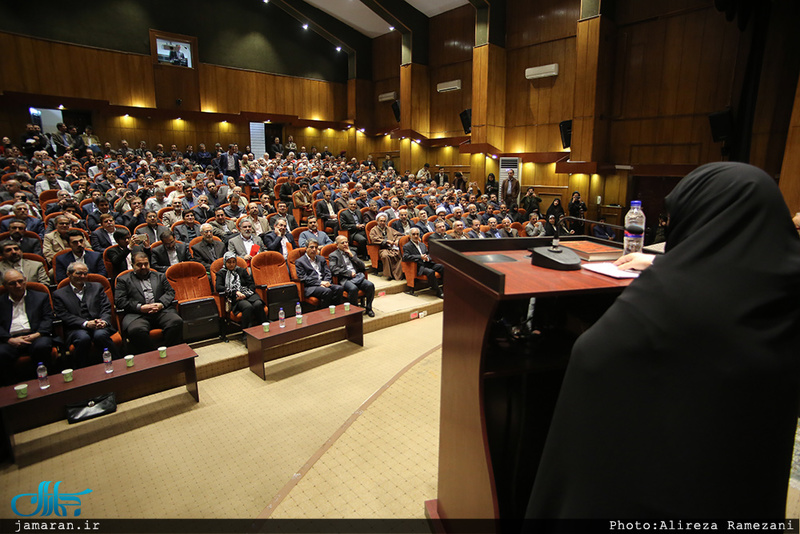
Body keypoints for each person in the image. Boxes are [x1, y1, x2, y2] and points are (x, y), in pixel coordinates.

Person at [526, 162, 800, 519]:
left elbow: (591, 356)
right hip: (743, 488)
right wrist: (658, 262)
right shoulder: (786, 289)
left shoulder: (672, 297)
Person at [114, 251, 183, 354]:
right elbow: (120, 300)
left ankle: (169, 352)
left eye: (146, 264)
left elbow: (170, 292)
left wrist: (161, 304)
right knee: (136, 330)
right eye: (139, 265)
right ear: (132, 265)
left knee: (176, 322)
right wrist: (140, 307)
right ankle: (152, 355)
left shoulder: (160, 276)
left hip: (161, 311)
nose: (143, 267)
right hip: (137, 315)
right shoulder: (123, 280)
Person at [53, 262, 118, 368]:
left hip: (98, 324)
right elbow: (63, 315)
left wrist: (104, 321)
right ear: (69, 274)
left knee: (100, 335)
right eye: (79, 273)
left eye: (85, 274)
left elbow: (106, 307)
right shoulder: (59, 294)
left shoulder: (97, 287)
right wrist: (86, 323)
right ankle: (81, 369)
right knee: (83, 338)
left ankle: (117, 364)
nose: (82, 276)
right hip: (76, 328)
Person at [0, 269, 54, 385]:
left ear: (25, 280)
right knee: (1, 353)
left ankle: (45, 381)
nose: (18, 285)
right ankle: (11, 386)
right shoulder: (1, 302)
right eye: (12, 283)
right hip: (9, 339)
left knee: (42, 346)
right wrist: (9, 339)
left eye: (20, 281)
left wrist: (37, 334)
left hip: (36, 336)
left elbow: (47, 318)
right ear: (5, 285)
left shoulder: (40, 297)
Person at [216, 252, 266, 329]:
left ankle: (263, 327)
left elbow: (251, 284)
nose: (231, 264)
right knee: (247, 306)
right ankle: (247, 331)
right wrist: (235, 292)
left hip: (248, 294)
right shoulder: (221, 273)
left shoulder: (241, 270)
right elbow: (218, 287)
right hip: (235, 298)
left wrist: (245, 294)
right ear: (225, 262)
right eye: (229, 262)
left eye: (233, 262)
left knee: (258, 304)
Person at [329, 235, 375, 317]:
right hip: (344, 279)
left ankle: (369, 308)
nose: (345, 244)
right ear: (337, 245)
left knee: (370, 285)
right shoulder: (333, 255)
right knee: (353, 289)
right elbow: (334, 269)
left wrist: (352, 256)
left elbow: (362, 266)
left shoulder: (352, 252)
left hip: (356, 277)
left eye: (346, 242)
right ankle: (355, 311)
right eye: (342, 243)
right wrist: (349, 273)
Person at [294, 239, 344, 308]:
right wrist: (320, 283)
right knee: (327, 291)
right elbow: (303, 278)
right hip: (310, 287)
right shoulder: (300, 262)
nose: (314, 250)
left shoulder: (321, 259)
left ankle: (335, 309)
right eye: (311, 247)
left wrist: (326, 282)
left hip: (324, 283)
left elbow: (327, 273)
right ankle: (325, 312)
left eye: (316, 247)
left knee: (339, 288)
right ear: (306, 248)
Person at [402, 228, 444, 298]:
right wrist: (420, 257)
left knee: (442, 267)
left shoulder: (422, 245)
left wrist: (428, 258)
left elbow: (428, 254)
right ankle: (438, 291)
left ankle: (444, 287)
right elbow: (405, 257)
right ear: (410, 235)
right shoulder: (407, 246)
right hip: (418, 266)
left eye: (417, 234)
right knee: (430, 272)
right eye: (413, 234)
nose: (416, 236)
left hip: (427, 263)